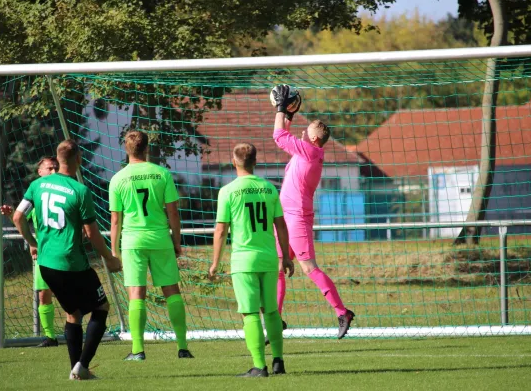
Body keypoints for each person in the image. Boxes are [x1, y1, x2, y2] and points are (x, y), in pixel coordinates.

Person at [13, 140, 121, 380]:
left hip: (47, 264)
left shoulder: (37, 185)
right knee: (101, 307)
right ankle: (82, 364)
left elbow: (18, 216)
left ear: (58, 159)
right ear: (78, 159)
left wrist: (33, 242)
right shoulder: (80, 191)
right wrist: (109, 258)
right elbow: (92, 233)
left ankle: (77, 370)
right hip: (73, 264)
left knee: (73, 313)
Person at [271, 85, 355, 339]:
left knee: (309, 268)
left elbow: (278, 136)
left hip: (297, 218)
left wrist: (280, 108)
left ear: (315, 139)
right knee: (277, 267)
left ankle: (342, 312)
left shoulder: (310, 152)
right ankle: (275, 319)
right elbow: (284, 131)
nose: (302, 134)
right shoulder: (307, 151)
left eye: (306, 133)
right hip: (286, 218)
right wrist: (288, 112)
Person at [209, 143, 294, 377]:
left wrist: (215, 262)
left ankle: (259, 366)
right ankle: (279, 362)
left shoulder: (227, 191)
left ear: (233, 162)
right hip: (268, 258)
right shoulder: (269, 189)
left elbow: (220, 230)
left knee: (250, 313)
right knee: (272, 312)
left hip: (243, 262)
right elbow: (281, 225)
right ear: (255, 162)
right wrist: (285, 256)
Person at [109, 130, 192, 361]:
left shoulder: (118, 179)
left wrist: (114, 251)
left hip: (133, 242)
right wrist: (177, 241)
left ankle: (137, 350)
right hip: (160, 238)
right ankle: (183, 348)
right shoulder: (162, 173)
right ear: (146, 148)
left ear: (126, 149)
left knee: (136, 294)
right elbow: (173, 211)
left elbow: (116, 219)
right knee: (171, 291)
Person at [1, 156, 60, 347]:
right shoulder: (36, 195)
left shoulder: (64, 192)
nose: (53, 171)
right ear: (40, 172)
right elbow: (21, 220)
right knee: (44, 294)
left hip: (65, 251)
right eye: (49, 168)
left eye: (56, 168)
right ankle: (50, 337)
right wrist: (11, 215)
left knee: (70, 293)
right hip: (44, 253)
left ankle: (74, 331)